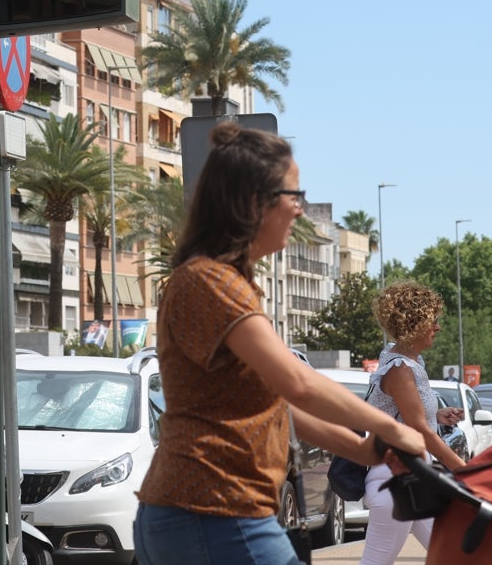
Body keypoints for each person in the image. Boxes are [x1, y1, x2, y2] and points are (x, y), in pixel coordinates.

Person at [133, 122, 426, 565]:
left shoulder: (223, 281)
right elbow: (297, 383)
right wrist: (393, 427)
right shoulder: (209, 282)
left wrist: (365, 450)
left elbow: (278, 407)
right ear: (253, 202)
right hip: (211, 511)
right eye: (294, 195)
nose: (299, 211)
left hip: (209, 513)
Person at [360, 281, 466, 565]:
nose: (438, 327)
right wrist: (462, 468)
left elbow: (410, 417)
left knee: (459, 555)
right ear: (415, 323)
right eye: (433, 321)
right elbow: (418, 430)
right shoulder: (400, 369)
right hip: (396, 481)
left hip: (412, 480)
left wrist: (437, 416)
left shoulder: (403, 361)